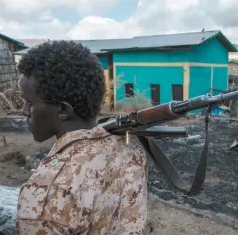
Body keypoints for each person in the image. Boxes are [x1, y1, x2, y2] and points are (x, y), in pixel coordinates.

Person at [16, 41, 148, 234]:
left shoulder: (46, 195)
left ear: (63, 110)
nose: (23, 112)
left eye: (29, 103)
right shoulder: (132, 151)